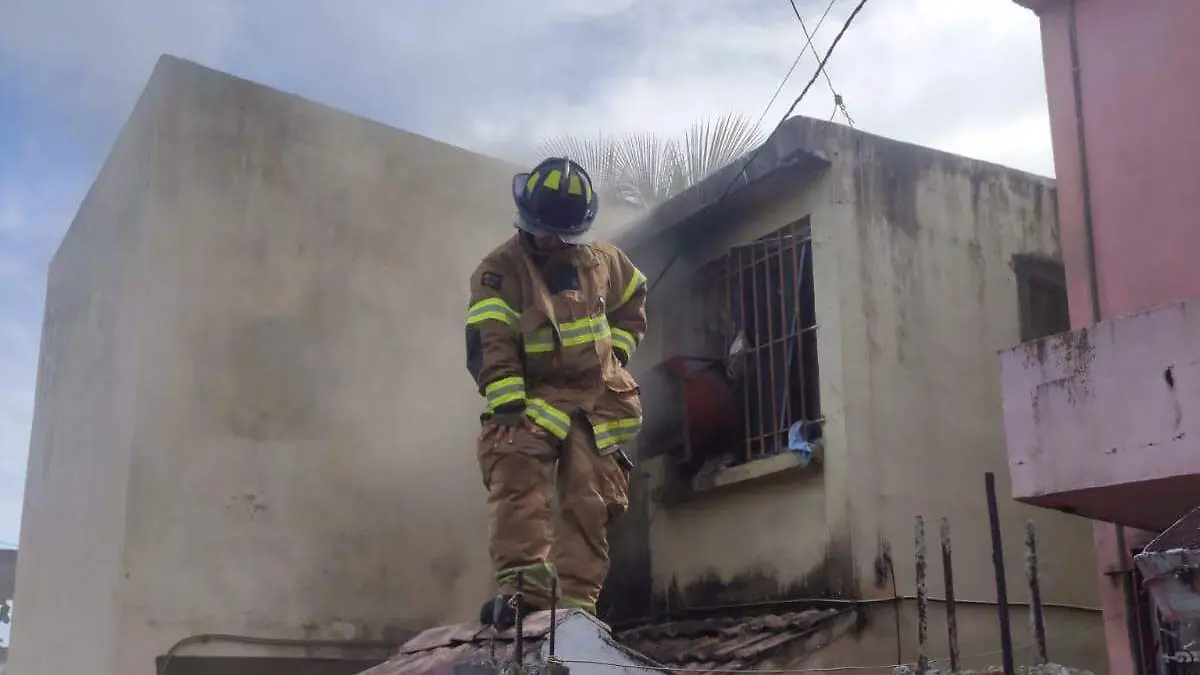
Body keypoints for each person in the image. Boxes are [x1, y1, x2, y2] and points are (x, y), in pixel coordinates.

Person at [464, 157, 648, 629]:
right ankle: (523, 594)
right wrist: (506, 400)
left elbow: (633, 300)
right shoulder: (500, 270)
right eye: (544, 232)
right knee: (517, 478)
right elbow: (491, 338)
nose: (552, 242)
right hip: (531, 401)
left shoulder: (604, 261)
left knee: (589, 500)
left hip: (596, 401)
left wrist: (618, 353)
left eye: (562, 235)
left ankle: (577, 608)